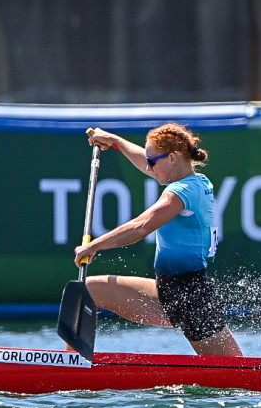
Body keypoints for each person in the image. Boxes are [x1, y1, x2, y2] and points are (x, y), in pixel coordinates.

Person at [74, 123, 243, 357]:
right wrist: (115, 141)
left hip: (192, 299)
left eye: (152, 161)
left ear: (172, 158)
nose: (149, 166)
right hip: (167, 292)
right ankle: (73, 361)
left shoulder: (182, 191)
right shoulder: (197, 181)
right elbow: (144, 162)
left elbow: (141, 227)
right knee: (89, 289)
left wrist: (94, 245)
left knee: (233, 378)